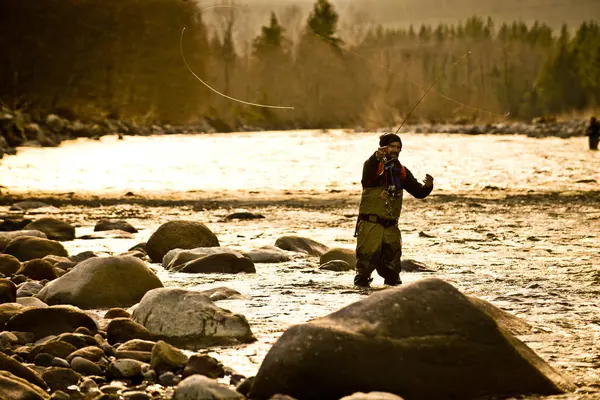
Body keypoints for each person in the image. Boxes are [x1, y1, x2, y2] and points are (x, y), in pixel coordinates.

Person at [354, 132, 434, 288]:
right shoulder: (372, 165)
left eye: (398, 147)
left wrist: (428, 187)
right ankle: (361, 298)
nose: (395, 150)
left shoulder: (401, 171)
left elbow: (418, 192)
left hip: (391, 227)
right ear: (383, 147)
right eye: (392, 146)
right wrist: (376, 156)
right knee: (364, 269)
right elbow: (366, 177)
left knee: (393, 272)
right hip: (371, 226)